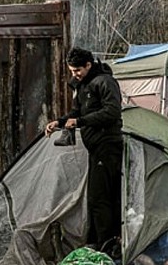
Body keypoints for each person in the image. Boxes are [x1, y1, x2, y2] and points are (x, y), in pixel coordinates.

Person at [45, 47, 123, 254]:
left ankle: (106, 245)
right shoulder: (83, 85)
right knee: (96, 197)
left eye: (77, 70)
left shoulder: (105, 82)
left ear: (88, 65)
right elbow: (76, 112)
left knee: (101, 197)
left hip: (108, 145)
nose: (75, 74)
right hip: (95, 147)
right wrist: (60, 122)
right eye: (72, 71)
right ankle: (98, 241)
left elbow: (112, 112)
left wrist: (80, 121)